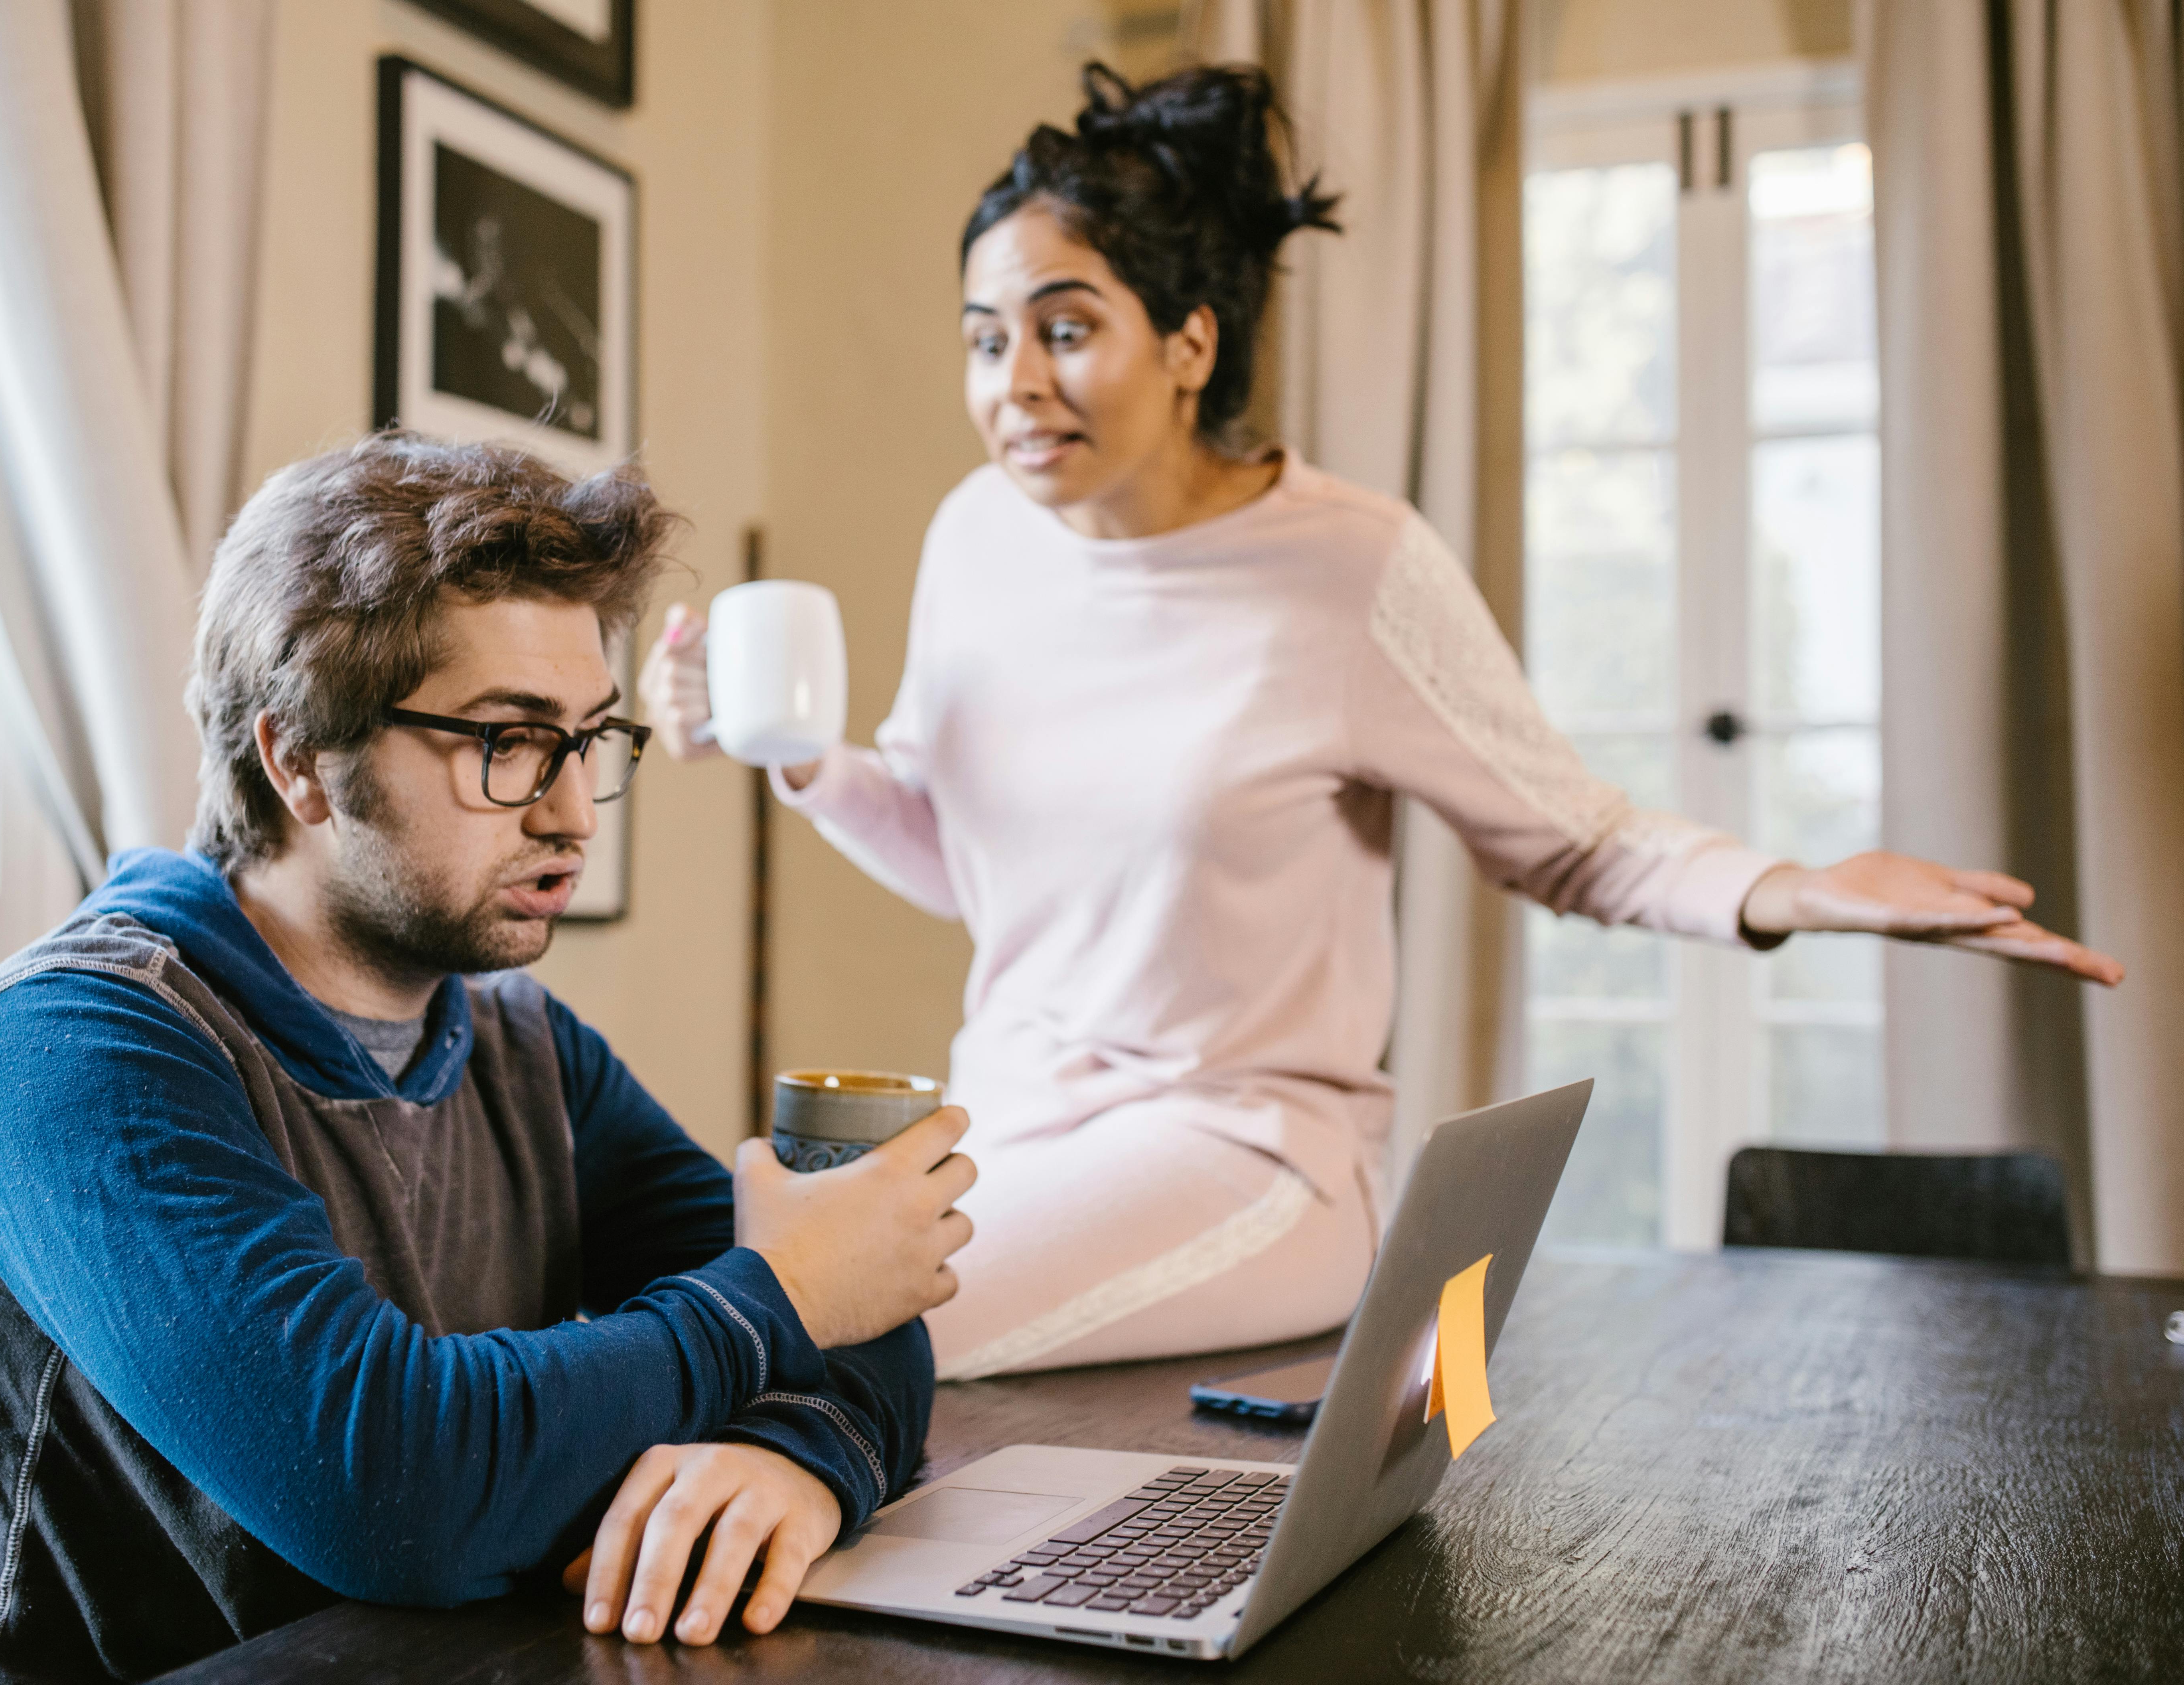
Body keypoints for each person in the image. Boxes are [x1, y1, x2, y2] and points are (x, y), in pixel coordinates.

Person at [641, 64, 2124, 1384]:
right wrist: (801, 757)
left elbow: (1581, 843)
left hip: (1252, 1155)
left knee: (857, 1323)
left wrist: (1792, 888)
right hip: (1012, 1125)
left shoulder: (1352, 565)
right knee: (714, 1266)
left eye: (1066, 327)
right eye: (983, 339)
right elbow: (981, 863)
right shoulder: (978, 535)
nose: (1014, 384)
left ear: (1190, 342)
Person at [0, 434, 975, 1682]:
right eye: (505, 742)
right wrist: (779, 1301)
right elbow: (393, 1484)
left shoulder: (516, 1039)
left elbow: (869, 1299)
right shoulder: (71, 1053)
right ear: (298, 759)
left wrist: (797, 1455)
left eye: (586, 744)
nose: (570, 815)